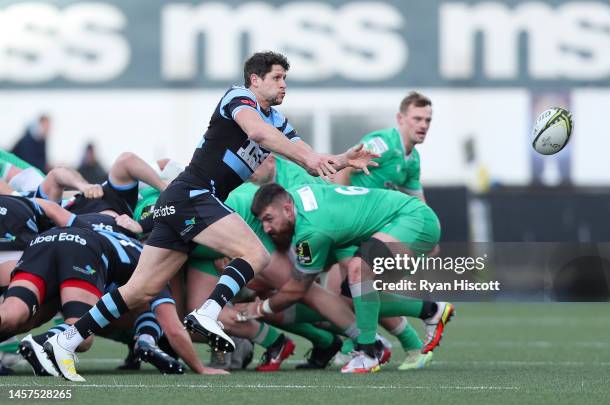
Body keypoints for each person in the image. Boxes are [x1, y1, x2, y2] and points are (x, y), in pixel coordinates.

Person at [44, 51, 377, 381]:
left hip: (184, 201)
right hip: (193, 194)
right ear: (255, 80)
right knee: (255, 253)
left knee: (139, 291)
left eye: (285, 79)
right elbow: (260, 135)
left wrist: (343, 159)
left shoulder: (277, 122)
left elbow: (307, 159)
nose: (283, 85)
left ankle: (64, 342)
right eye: (277, 78)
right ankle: (208, 311)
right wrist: (311, 156)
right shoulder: (238, 97)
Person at [249, 183, 453, 373]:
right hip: (405, 218)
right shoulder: (296, 193)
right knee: (352, 298)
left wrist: (259, 308)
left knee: (359, 269)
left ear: (286, 209)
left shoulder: (310, 231)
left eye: (269, 219)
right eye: (262, 222)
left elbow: (297, 289)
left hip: (414, 220)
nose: (266, 229)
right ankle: (431, 311)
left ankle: (368, 353)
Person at [334, 91, 432, 202]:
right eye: (417, 119)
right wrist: (341, 205)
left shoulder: (414, 159)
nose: (424, 125)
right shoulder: (384, 144)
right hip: (353, 210)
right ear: (400, 119)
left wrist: (428, 218)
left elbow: (419, 203)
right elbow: (344, 167)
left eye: (428, 120)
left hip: (372, 214)